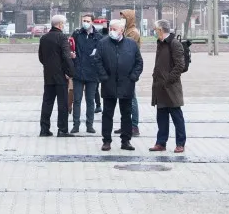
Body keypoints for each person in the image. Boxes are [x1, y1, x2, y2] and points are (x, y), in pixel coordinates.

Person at [96, 16, 142, 151]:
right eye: (110, 28)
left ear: (121, 30)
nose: (111, 31)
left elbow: (139, 62)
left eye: (114, 29)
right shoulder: (103, 43)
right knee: (107, 114)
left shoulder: (131, 44)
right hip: (108, 84)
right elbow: (97, 61)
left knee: (126, 114)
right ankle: (106, 141)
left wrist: (133, 77)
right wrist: (104, 77)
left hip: (126, 84)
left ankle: (126, 141)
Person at [150, 19, 188, 152]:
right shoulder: (160, 43)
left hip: (171, 88)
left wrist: (168, 80)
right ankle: (161, 143)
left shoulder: (174, 43)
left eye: (155, 30)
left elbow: (180, 65)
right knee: (161, 118)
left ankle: (180, 143)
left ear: (160, 30)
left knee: (177, 117)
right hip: (160, 87)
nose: (154, 32)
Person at [38, 14, 73, 136]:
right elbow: (66, 56)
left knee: (47, 102)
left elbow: (41, 57)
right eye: (63, 23)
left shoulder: (44, 38)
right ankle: (62, 129)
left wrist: (49, 66)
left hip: (48, 74)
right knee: (62, 103)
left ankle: (44, 129)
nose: (64, 25)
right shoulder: (62, 37)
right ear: (60, 24)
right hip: (61, 75)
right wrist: (70, 72)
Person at [71, 17, 103, 134]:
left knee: (90, 100)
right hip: (78, 72)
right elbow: (71, 48)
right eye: (84, 21)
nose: (85, 23)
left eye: (88, 21)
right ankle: (76, 125)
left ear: (92, 22)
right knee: (77, 100)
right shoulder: (77, 34)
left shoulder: (98, 37)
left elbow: (101, 55)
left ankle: (90, 125)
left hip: (92, 73)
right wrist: (72, 57)